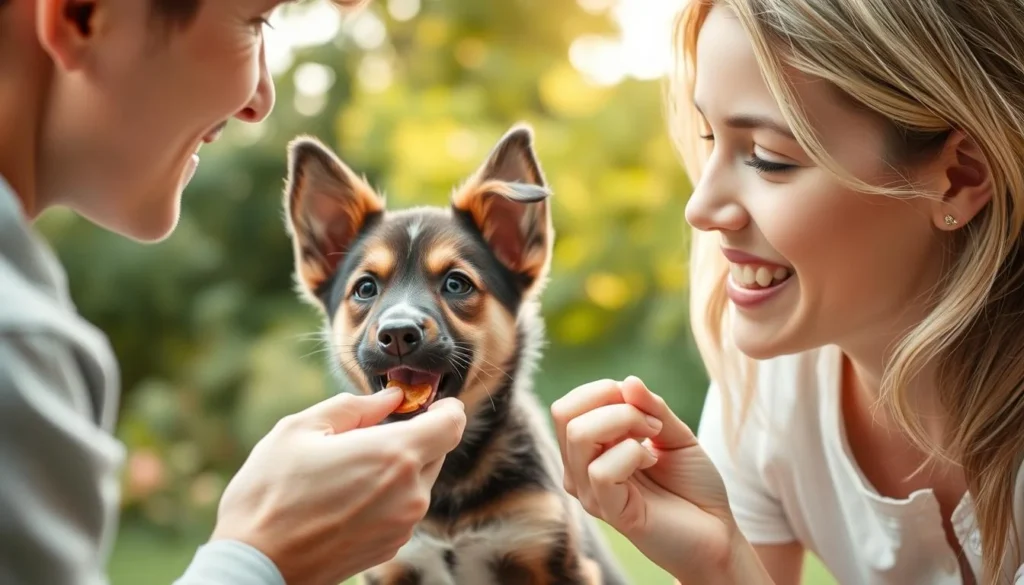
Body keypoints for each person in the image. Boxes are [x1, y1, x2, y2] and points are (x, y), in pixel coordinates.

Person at [551, 1, 1024, 584]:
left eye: (768, 159)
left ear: (960, 178)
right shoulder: (767, 393)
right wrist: (719, 561)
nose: (699, 208)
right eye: (708, 136)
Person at [0, 1, 467, 584]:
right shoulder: (14, 346)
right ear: (81, 15)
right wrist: (261, 556)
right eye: (254, 22)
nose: (260, 99)